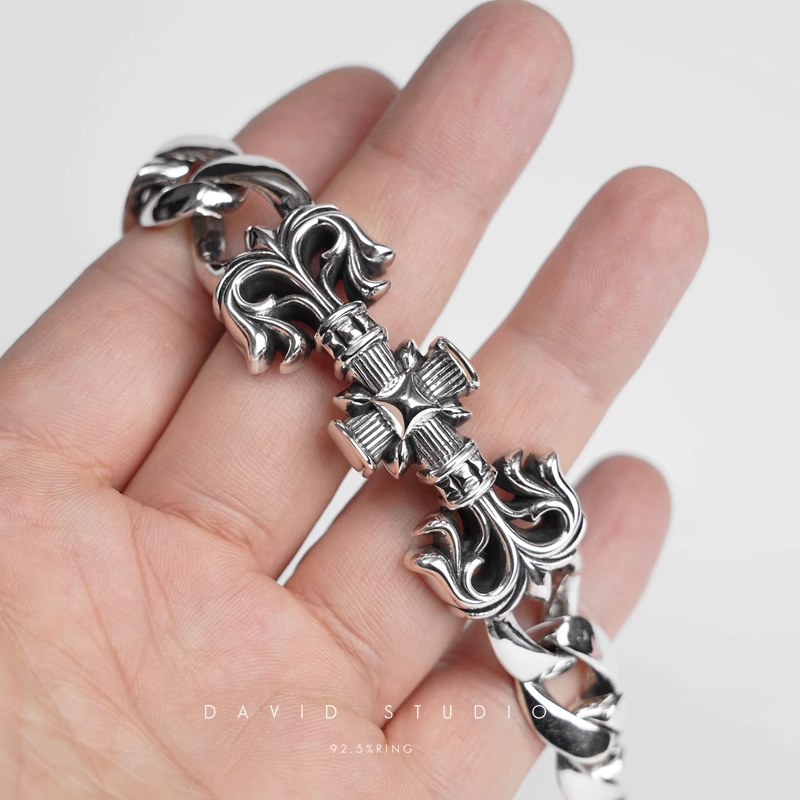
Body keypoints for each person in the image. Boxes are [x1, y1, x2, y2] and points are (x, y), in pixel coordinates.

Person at [0, 1, 707, 797]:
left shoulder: (299, 295)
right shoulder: (297, 298)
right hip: (448, 467)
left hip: (457, 474)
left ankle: (586, 732)